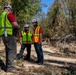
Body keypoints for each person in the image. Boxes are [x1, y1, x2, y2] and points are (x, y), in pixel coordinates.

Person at [0, 4, 20, 72]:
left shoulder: (1, 16)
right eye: (10, 9)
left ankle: (8, 66)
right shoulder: (9, 14)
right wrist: (18, 26)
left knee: (8, 50)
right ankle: (10, 68)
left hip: (3, 35)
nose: (10, 11)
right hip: (9, 35)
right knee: (11, 51)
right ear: (8, 8)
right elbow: (15, 24)